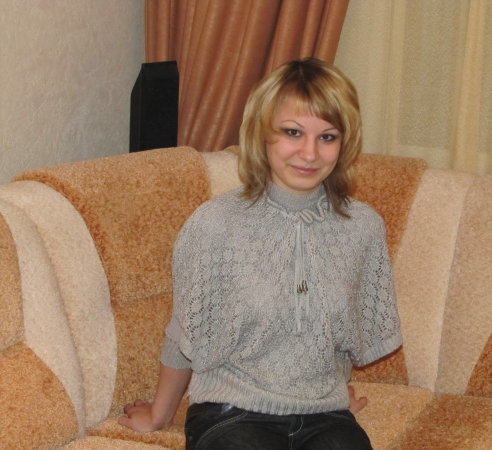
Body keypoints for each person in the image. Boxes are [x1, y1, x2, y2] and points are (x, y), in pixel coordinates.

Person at [119, 57, 402, 450]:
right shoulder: (214, 224)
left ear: (345, 143)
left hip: (324, 417)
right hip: (232, 413)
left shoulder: (363, 227)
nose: (309, 153)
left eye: (327, 137)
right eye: (292, 132)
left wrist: (335, 402)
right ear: (261, 134)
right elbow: (185, 332)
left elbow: (341, 334)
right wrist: (159, 414)